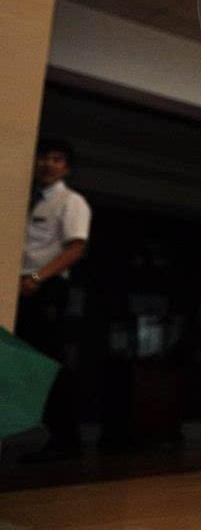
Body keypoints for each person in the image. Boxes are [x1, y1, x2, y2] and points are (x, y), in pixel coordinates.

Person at [17, 137, 91, 459]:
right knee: (24, 364)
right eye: (44, 157)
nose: (48, 164)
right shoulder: (27, 200)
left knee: (48, 365)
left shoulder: (71, 201)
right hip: (21, 289)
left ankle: (63, 441)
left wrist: (37, 278)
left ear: (67, 169)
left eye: (57, 159)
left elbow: (76, 248)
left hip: (45, 288)